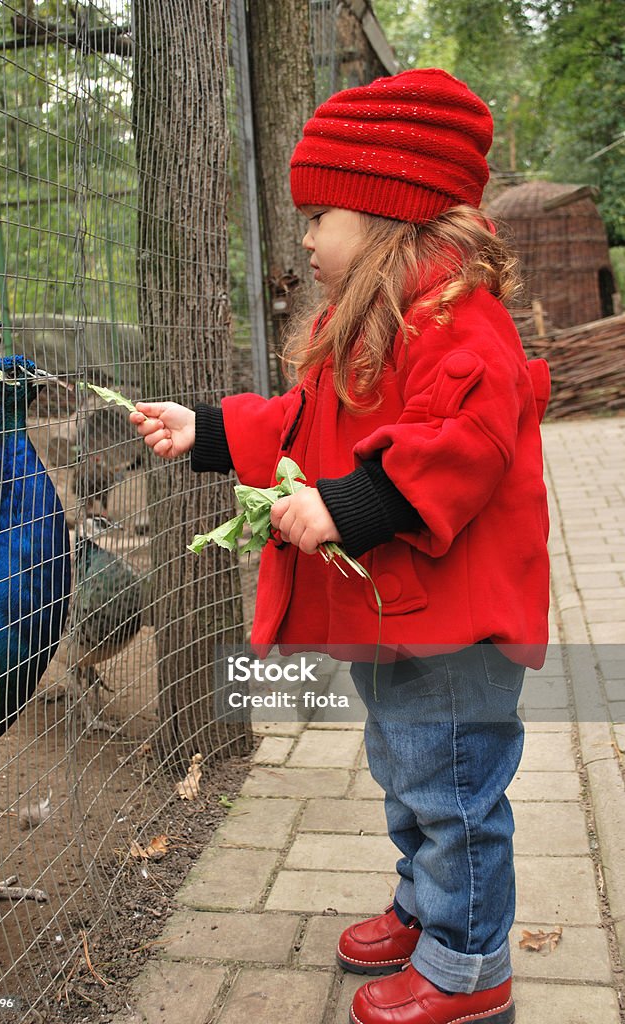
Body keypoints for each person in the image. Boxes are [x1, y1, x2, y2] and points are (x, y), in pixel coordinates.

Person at [131, 68, 550, 1024]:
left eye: (321, 214)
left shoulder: (459, 323)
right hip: (403, 613)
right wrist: (209, 429)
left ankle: (469, 971)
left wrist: (349, 505)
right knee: (411, 772)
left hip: (457, 628)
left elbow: (467, 440)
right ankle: (425, 907)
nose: (307, 238)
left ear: (392, 214)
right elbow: (303, 419)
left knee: (454, 798)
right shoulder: (371, 323)